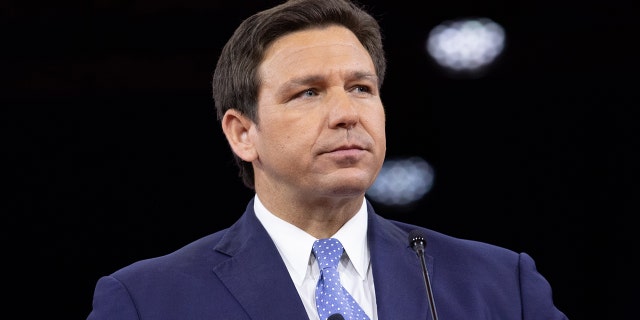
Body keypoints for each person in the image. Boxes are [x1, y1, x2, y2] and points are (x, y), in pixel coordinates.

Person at [86, 0, 568, 319]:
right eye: (309, 92)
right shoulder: (146, 301)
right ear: (242, 132)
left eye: (361, 88)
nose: (346, 114)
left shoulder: (503, 286)